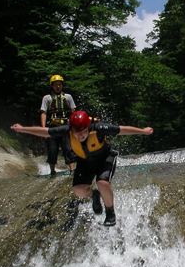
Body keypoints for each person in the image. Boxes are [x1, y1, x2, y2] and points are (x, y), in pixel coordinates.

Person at [11, 111, 154, 227]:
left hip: (105, 158)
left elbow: (121, 129)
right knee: (78, 190)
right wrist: (23, 129)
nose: (80, 135)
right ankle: (95, 196)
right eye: (76, 133)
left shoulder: (98, 128)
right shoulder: (67, 130)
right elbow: (46, 132)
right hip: (85, 161)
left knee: (102, 183)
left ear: (88, 127)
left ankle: (110, 212)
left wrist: (143, 131)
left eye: (83, 132)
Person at [41, 75, 77, 176]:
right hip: (52, 127)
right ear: (52, 86)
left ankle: (72, 170)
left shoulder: (68, 97)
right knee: (52, 149)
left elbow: (73, 113)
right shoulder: (47, 98)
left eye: (60, 85)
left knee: (69, 148)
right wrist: (43, 129)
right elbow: (43, 113)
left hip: (66, 126)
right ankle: (52, 171)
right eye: (56, 85)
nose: (58, 87)